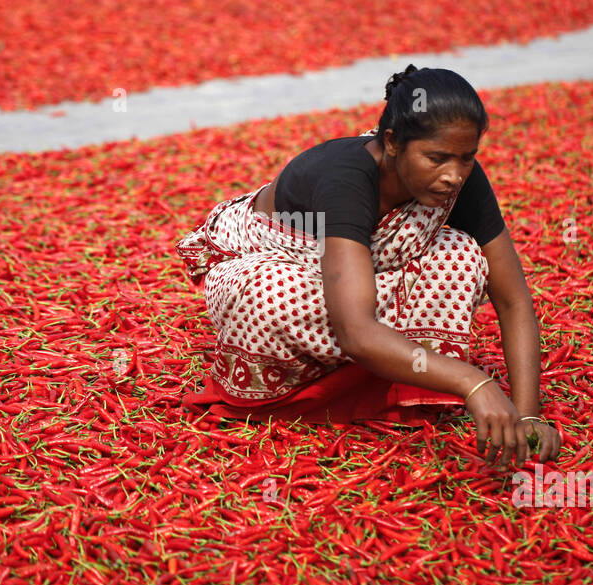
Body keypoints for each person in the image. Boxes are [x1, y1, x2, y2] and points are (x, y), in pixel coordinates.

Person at [176, 64, 561, 466]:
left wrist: (529, 415)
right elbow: (354, 331)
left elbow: (513, 299)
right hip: (267, 266)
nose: (453, 175)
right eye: (437, 158)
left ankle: (398, 386)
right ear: (392, 143)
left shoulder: (460, 178)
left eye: (466, 159)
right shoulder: (346, 177)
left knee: (460, 256)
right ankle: (306, 397)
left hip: (354, 276)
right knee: (273, 294)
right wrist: (472, 382)